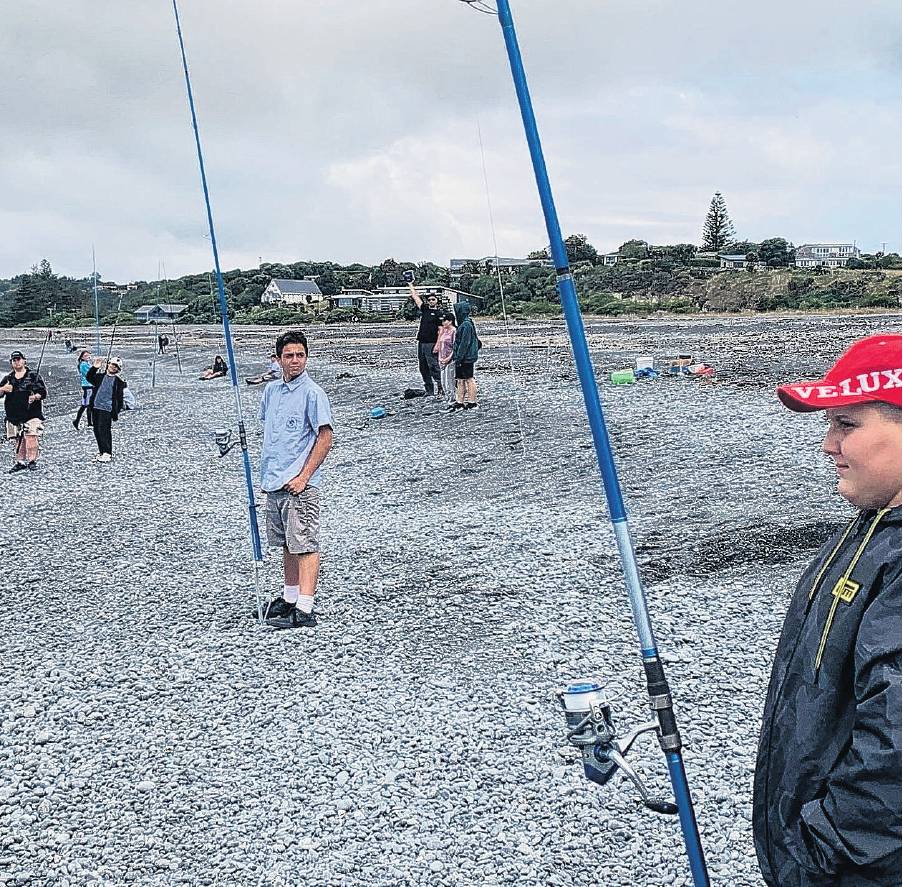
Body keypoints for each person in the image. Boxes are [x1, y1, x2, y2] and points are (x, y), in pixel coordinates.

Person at [753, 332, 901, 887]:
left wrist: (828, 853)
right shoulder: (871, 526)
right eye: (829, 424)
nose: (827, 444)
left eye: (848, 424)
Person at [258, 330, 334, 629]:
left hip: (300, 484)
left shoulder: (313, 393)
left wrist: (304, 477)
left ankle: (304, 608)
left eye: (300, 355)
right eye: (288, 355)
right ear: (277, 359)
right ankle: (289, 598)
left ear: (307, 357)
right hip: (274, 481)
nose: (294, 361)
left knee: (304, 544)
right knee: (287, 544)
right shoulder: (271, 392)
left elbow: (325, 437)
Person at [0, 350, 47, 473]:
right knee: (17, 439)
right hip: (13, 415)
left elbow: (43, 393)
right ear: (11, 363)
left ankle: (32, 461)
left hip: (32, 413)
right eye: (14, 360)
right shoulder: (8, 378)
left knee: (31, 436)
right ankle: (20, 461)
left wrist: (35, 397)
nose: (17, 362)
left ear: (24, 361)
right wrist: (3, 389)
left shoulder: (33, 376)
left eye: (18, 359)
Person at [86, 356, 128, 463]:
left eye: (116, 367)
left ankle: (107, 452)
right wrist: (95, 367)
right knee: (96, 430)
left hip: (107, 409)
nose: (114, 367)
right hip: (95, 407)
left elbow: (119, 398)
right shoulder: (100, 377)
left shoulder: (119, 382)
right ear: (108, 364)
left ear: (118, 370)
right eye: (112, 365)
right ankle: (101, 451)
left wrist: (115, 411)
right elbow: (89, 377)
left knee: (104, 430)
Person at [407, 282, 443, 395]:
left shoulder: (440, 314)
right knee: (423, 366)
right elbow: (415, 297)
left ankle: (441, 386)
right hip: (421, 342)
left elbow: (441, 331)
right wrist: (410, 284)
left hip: (432, 343)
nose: (431, 301)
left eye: (433, 299)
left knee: (433, 366)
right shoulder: (425, 310)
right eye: (429, 300)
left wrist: (438, 344)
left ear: (437, 301)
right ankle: (429, 389)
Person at [448, 300, 480, 411]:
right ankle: (460, 402)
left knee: (469, 379)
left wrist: (459, 357)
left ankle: (472, 402)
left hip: (466, 358)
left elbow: (464, 343)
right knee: (460, 379)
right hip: (464, 357)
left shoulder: (466, 325)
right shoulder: (466, 323)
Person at [434, 312, 456, 404]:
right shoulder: (444, 331)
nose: (443, 323)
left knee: (449, 381)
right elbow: (440, 345)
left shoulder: (454, 331)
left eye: (445, 321)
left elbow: (455, 347)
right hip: (441, 358)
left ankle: (452, 399)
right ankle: (447, 398)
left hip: (450, 359)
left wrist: (449, 358)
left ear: (450, 321)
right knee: (443, 381)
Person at [73, 350, 94, 430]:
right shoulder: (83, 365)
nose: (88, 357)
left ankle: (80, 421)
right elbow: (89, 374)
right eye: (86, 356)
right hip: (87, 385)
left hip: (88, 385)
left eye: (88, 355)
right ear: (82, 357)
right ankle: (88, 422)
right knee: (87, 404)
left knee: (86, 404)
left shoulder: (86, 364)